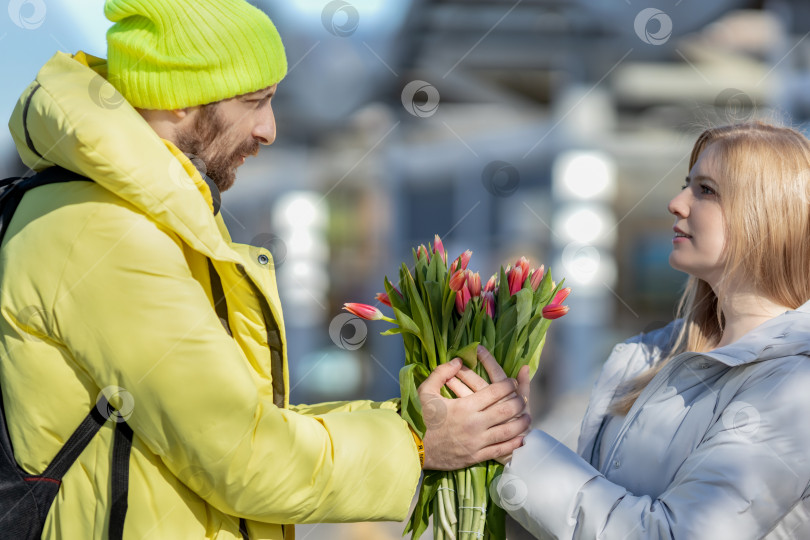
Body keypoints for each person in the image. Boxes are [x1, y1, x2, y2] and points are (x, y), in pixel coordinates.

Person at [0, 0, 530, 538]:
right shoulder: (105, 232)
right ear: (178, 101)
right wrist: (420, 447)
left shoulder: (136, 217)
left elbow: (245, 423)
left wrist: (419, 421)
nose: (269, 129)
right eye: (255, 101)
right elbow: (239, 456)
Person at [488, 122, 810, 539]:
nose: (676, 203)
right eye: (686, 186)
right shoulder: (647, 357)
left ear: (766, 215)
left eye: (706, 190)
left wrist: (510, 443)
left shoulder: (794, 386)